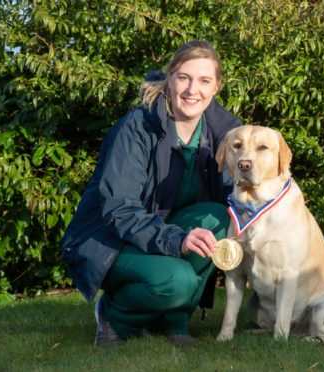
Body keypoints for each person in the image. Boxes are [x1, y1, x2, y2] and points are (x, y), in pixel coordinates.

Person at [60, 40, 242, 347]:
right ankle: (113, 317)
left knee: (222, 218)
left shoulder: (224, 133)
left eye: (204, 81)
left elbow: (234, 195)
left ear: (216, 88)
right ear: (169, 78)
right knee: (178, 281)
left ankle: (174, 321)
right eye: (183, 77)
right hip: (111, 241)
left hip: (163, 234)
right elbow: (118, 209)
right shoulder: (137, 127)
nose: (191, 90)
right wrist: (176, 240)